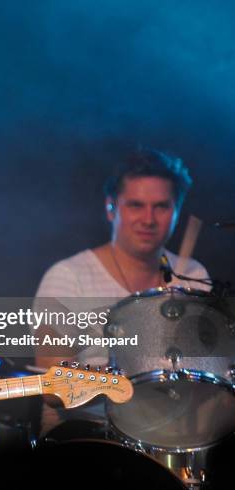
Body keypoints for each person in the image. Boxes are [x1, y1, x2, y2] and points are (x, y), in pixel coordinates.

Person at [34, 148, 210, 435]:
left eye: (162, 206)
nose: (148, 219)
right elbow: (52, 391)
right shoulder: (67, 278)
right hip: (87, 439)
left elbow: (209, 382)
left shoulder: (194, 275)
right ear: (111, 207)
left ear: (177, 210)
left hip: (170, 439)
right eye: (135, 205)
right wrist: (128, 378)